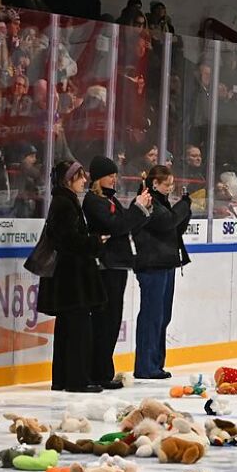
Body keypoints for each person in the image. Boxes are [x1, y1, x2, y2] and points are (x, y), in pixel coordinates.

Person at [36, 160, 107, 393]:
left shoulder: (64, 201)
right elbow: (68, 240)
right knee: (77, 330)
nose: (85, 180)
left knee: (68, 328)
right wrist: (95, 241)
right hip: (71, 280)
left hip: (68, 278)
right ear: (68, 179)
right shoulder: (65, 204)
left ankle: (63, 379)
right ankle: (76, 380)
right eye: (80, 177)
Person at [83, 156, 151, 389]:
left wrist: (141, 208)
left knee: (112, 321)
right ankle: (97, 371)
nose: (114, 179)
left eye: (114, 175)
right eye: (110, 175)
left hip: (118, 264)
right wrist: (137, 208)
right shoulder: (93, 201)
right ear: (99, 177)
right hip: (106, 266)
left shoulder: (110, 200)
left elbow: (125, 225)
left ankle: (103, 370)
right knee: (104, 320)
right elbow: (116, 226)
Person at [132, 165, 191, 379]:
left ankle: (155, 363)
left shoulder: (162, 202)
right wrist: (183, 207)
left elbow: (174, 228)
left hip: (166, 263)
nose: (170, 188)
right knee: (152, 315)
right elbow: (165, 222)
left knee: (162, 316)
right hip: (151, 265)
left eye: (172, 184)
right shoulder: (146, 201)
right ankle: (146, 366)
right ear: (155, 183)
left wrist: (185, 212)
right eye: (167, 184)